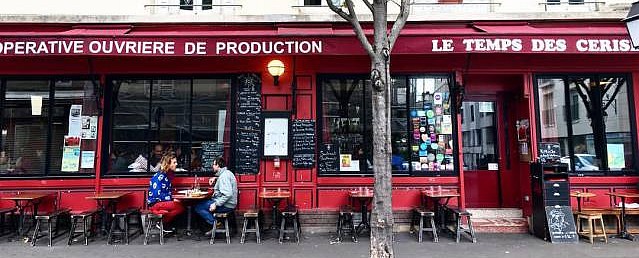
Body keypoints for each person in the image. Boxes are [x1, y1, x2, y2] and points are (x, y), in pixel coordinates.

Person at [195, 157, 237, 236]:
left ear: (218, 165)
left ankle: (216, 224)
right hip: (230, 203)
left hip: (226, 205)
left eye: (214, 165)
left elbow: (228, 194)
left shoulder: (223, 177)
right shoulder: (227, 173)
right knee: (202, 204)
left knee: (198, 207)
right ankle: (215, 224)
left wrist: (216, 204)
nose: (212, 166)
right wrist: (216, 178)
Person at [147, 152, 185, 232]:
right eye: (174, 162)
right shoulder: (159, 177)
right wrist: (172, 198)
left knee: (180, 206)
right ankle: (162, 223)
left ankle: (163, 223)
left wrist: (173, 197)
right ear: (168, 164)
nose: (176, 164)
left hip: (161, 202)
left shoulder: (167, 175)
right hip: (155, 204)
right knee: (179, 207)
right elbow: (156, 194)